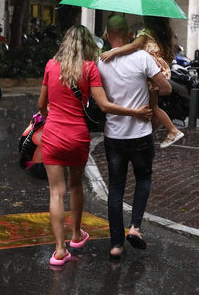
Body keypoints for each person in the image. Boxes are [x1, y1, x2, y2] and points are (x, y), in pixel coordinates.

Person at [37, 24, 153, 267]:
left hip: (53, 136)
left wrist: (48, 113)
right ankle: (77, 235)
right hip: (77, 137)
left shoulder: (50, 65)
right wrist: (136, 111)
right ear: (87, 44)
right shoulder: (90, 68)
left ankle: (59, 251)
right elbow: (105, 106)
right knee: (76, 184)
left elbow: (41, 103)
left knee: (56, 193)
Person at [97, 15, 172, 259]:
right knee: (143, 178)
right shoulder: (143, 58)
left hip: (113, 136)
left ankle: (116, 245)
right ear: (130, 35)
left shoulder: (101, 62)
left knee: (116, 187)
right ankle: (135, 227)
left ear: (108, 36)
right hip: (140, 134)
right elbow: (166, 88)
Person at [100, 16, 184, 148]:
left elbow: (134, 46)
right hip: (156, 71)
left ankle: (173, 130)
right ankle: (153, 132)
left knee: (154, 107)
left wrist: (114, 53)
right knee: (151, 107)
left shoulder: (145, 33)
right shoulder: (160, 35)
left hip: (150, 73)